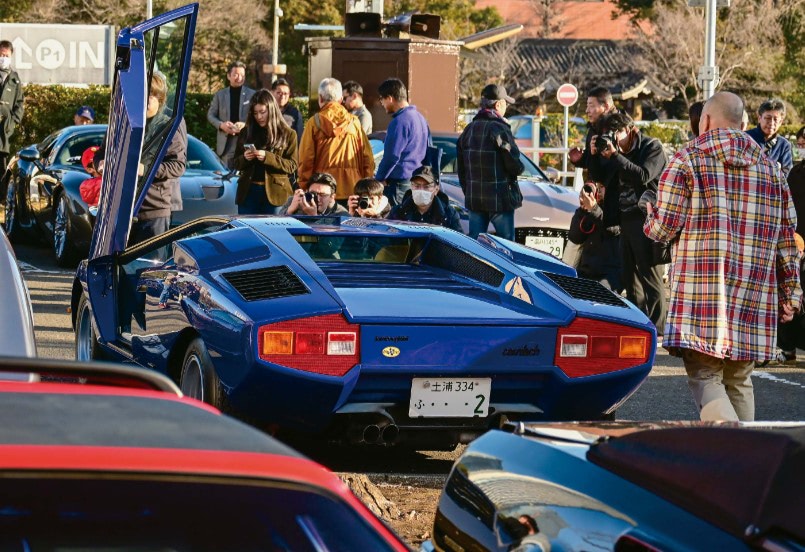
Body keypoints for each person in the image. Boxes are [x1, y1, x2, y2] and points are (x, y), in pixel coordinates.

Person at [644, 91, 802, 421]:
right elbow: (787, 240)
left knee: (706, 375)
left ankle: (735, 451)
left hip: (703, 293)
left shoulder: (688, 159)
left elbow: (663, 229)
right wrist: (791, 293)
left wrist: (650, 214)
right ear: (744, 123)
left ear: (704, 120)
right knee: (739, 379)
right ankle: (750, 459)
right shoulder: (772, 171)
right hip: (753, 292)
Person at [598, 111, 667, 333]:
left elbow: (644, 175)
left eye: (618, 132)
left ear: (631, 130)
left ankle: (657, 327)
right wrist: (590, 156)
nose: (614, 137)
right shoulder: (614, 151)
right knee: (629, 275)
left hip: (647, 217)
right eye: (611, 132)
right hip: (624, 217)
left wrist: (616, 157)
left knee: (650, 274)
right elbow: (603, 175)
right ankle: (638, 324)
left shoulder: (651, 147)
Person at [457, 83, 524, 241]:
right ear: (499, 104)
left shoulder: (468, 130)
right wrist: (520, 168)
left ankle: (475, 267)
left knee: (475, 244)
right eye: (506, 103)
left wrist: (469, 190)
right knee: (507, 244)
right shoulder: (499, 129)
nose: (506, 106)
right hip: (499, 198)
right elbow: (514, 165)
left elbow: (461, 170)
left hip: (475, 199)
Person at [130, 72, 187, 245]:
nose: (147, 100)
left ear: (161, 99)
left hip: (154, 208)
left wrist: (145, 170)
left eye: (153, 96)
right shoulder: (128, 120)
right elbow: (104, 151)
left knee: (151, 267)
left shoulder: (170, 123)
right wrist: (100, 162)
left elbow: (177, 165)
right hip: (124, 207)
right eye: (144, 94)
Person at [298, 78, 374, 202]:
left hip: (322, 191)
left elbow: (306, 159)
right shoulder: (354, 122)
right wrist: (365, 187)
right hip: (353, 189)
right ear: (340, 100)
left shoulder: (314, 123)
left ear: (321, 98)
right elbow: (367, 158)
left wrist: (304, 185)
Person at [233, 89, 298, 215]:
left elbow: (292, 165)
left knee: (273, 233)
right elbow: (235, 163)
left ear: (272, 110)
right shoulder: (246, 132)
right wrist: (245, 158)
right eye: (255, 113)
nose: (259, 117)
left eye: (263, 112)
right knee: (247, 231)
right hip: (248, 192)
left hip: (276, 195)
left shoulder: (288, 134)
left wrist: (268, 157)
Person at [375, 78, 429, 206]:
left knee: (395, 222)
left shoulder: (399, 121)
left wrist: (379, 179)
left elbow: (392, 156)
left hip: (399, 184)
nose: (381, 103)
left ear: (390, 98)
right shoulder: (420, 118)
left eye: (381, 99)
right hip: (418, 182)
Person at [567, 181, 622, 292]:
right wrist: (583, 210)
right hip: (586, 270)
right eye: (598, 187)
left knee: (598, 295)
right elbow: (575, 237)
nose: (599, 191)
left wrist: (594, 209)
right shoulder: (592, 207)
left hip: (610, 274)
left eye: (602, 187)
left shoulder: (621, 207)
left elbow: (614, 229)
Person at [207, 61, 255, 169]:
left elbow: (257, 116)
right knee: (226, 173)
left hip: (245, 139)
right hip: (226, 142)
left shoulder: (252, 95)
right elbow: (210, 115)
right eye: (236, 74)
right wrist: (221, 125)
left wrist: (245, 124)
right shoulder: (220, 95)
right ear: (229, 76)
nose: (239, 78)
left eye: (242, 75)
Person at [388, 165, 462, 231]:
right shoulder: (397, 212)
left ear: (436, 189)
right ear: (411, 187)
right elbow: (387, 241)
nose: (421, 190)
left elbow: (459, 243)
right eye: (417, 186)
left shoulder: (449, 215)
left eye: (426, 187)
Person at [746, 98, 793, 178]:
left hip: (772, 189)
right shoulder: (746, 137)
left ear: (781, 122)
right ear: (759, 118)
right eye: (768, 118)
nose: (771, 123)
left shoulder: (784, 145)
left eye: (775, 119)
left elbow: (786, 173)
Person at [0, 39, 24, 175]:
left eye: (6, 56)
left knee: (3, 166)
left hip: (5, 129)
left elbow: (20, 102)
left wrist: (13, 121)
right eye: (1, 55)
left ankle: (2, 195)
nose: (3, 58)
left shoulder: (15, 78)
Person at [280, 172, 348, 216]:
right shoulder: (295, 201)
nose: (317, 199)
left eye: (322, 195)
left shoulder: (341, 213)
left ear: (332, 197)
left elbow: (329, 237)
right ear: (306, 191)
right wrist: (289, 210)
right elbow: (277, 226)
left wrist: (313, 216)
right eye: (313, 193)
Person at [272, 78, 304, 145]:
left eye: (285, 93)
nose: (282, 96)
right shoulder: (266, 111)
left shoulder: (295, 114)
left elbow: (299, 139)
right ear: (272, 93)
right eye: (279, 93)